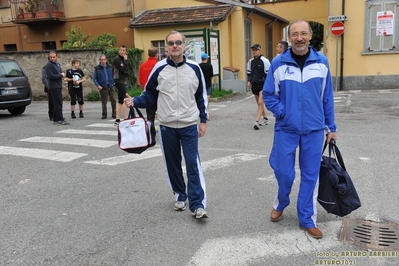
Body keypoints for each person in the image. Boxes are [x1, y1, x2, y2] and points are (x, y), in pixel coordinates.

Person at [263, 20, 337, 239]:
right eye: (295, 34)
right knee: (283, 172)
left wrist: (331, 127)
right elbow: (268, 94)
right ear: (289, 37)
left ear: (310, 35)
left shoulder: (321, 63)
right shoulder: (279, 63)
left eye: (303, 33)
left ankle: (306, 218)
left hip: (314, 129)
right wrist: (282, 111)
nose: (299, 38)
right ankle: (282, 201)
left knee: (310, 175)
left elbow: (327, 98)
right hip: (287, 127)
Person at [124, 30, 209, 219]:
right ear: (167, 47)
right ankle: (180, 194)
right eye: (171, 43)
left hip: (188, 125)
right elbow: (150, 94)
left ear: (184, 45)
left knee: (192, 164)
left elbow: (201, 97)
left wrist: (203, 120)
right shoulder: (159, 68)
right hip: (166, 125)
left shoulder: (195, 69)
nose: (175, 46)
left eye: (178, 42)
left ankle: (197, 204)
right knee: (172, 164)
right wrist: (135, 102)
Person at [246, 44, 270, 130]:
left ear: (260, 50)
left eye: (256, 50)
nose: (254, 51)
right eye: (253, 50)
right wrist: (249, 81)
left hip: (263, 84)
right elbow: (249, 72)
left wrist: (268, 84)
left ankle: (256, 121)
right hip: (254, 84)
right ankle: (265, 118)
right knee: (259, 103)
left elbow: (268, 73)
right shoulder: (250, 61)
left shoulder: (265, 61)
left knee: (260, 102)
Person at [44, 50, 69, 125]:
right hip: (54, 86)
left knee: (58, 102)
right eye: (51, 57)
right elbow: (51, 76)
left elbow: (59, 73)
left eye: (54, 57)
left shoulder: (57, 64)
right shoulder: (48, 65)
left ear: (57, 57)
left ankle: (56, 118)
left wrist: (62, 75)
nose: (52, 58)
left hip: (58, 85)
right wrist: (61, 75)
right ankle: (59, 119)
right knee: (57, 103)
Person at [138, 47, 159, 122]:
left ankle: (151, 131)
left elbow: (140, 81)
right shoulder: (158, 65)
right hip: (158, 93)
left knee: (150, 116)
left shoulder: (142, 65)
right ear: (156, 55)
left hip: (147, 93)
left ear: (148, 54)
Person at [93, 55, 116, 119]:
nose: (103, 61)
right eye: (101, 60)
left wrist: (114, 82)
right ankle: (104, 114)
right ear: (100, 60)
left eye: (104, 60)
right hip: (102, 87)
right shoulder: (97, 68)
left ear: (106, 60)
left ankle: (114, 113)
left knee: (113, 100)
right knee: (104, 101)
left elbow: (114, 75)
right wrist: (98, 85)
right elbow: (94, 78)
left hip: (111, 85)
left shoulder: (110, 67)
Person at [113, 45, 129, 125]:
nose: (122, 51)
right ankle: (126, 118)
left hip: (122, 81)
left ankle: (117, 119)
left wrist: (125, 63)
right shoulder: (117, 59)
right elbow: (122, 69)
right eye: (121, 50)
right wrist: (125, 62)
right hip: (118, 80)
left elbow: (127, 72)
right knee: (125, 98)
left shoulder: (123, 60)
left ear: (126, 52)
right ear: (119, 50)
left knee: (120, 100)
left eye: (124, 50)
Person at [199, 52, 213, 120]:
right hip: (208, 83)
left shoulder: (199, 66)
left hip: (201, 84)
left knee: (202, 98)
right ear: (206, 58)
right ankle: (206, 112)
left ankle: (204, 111)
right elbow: (211, 76)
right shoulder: (209, 66)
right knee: (207, 98)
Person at [41, 56, 53, 121]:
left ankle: (57, 115)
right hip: (50, 87)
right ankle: (51, 115)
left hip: (56, 87)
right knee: (51, 102)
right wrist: (48, 86)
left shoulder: (56, 65)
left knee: (57, 102)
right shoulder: (45, 68)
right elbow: (44, 78)